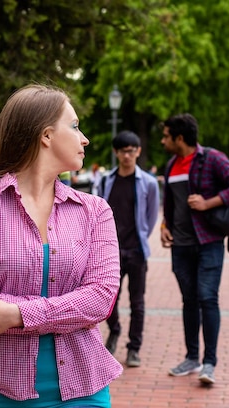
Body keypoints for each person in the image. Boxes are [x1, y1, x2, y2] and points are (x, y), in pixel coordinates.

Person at [0, 84, 122, 407]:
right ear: (46, 136)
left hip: (84, 389)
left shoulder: (95, 211)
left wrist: (15, 314)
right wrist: (67, 312)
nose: (85, 139)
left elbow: (101, 300)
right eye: (75, 125)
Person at [159, 113, 229, 385]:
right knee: (189, 301)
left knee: (207, 298)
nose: (163, 141)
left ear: (180, 138)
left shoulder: (212, 159)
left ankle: (210, 363)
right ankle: (192, 358)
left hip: (208, 242)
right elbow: (171, 202)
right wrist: (165, 225)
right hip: (181, 246)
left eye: (166, 136)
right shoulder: (171, 164)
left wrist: (209, 203)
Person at [98, 130, 160, 368]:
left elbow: (151, 217)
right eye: (123, 151)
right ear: (116, 152)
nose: (128, 155)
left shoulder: (149, 184)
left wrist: (140, 239)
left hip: (136, 252)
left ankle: (134, 348)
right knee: (108, 299)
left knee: (138, 302)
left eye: (132, 151)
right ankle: (114, 329)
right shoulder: (105, 181)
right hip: (110, 252)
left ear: (138, 152)